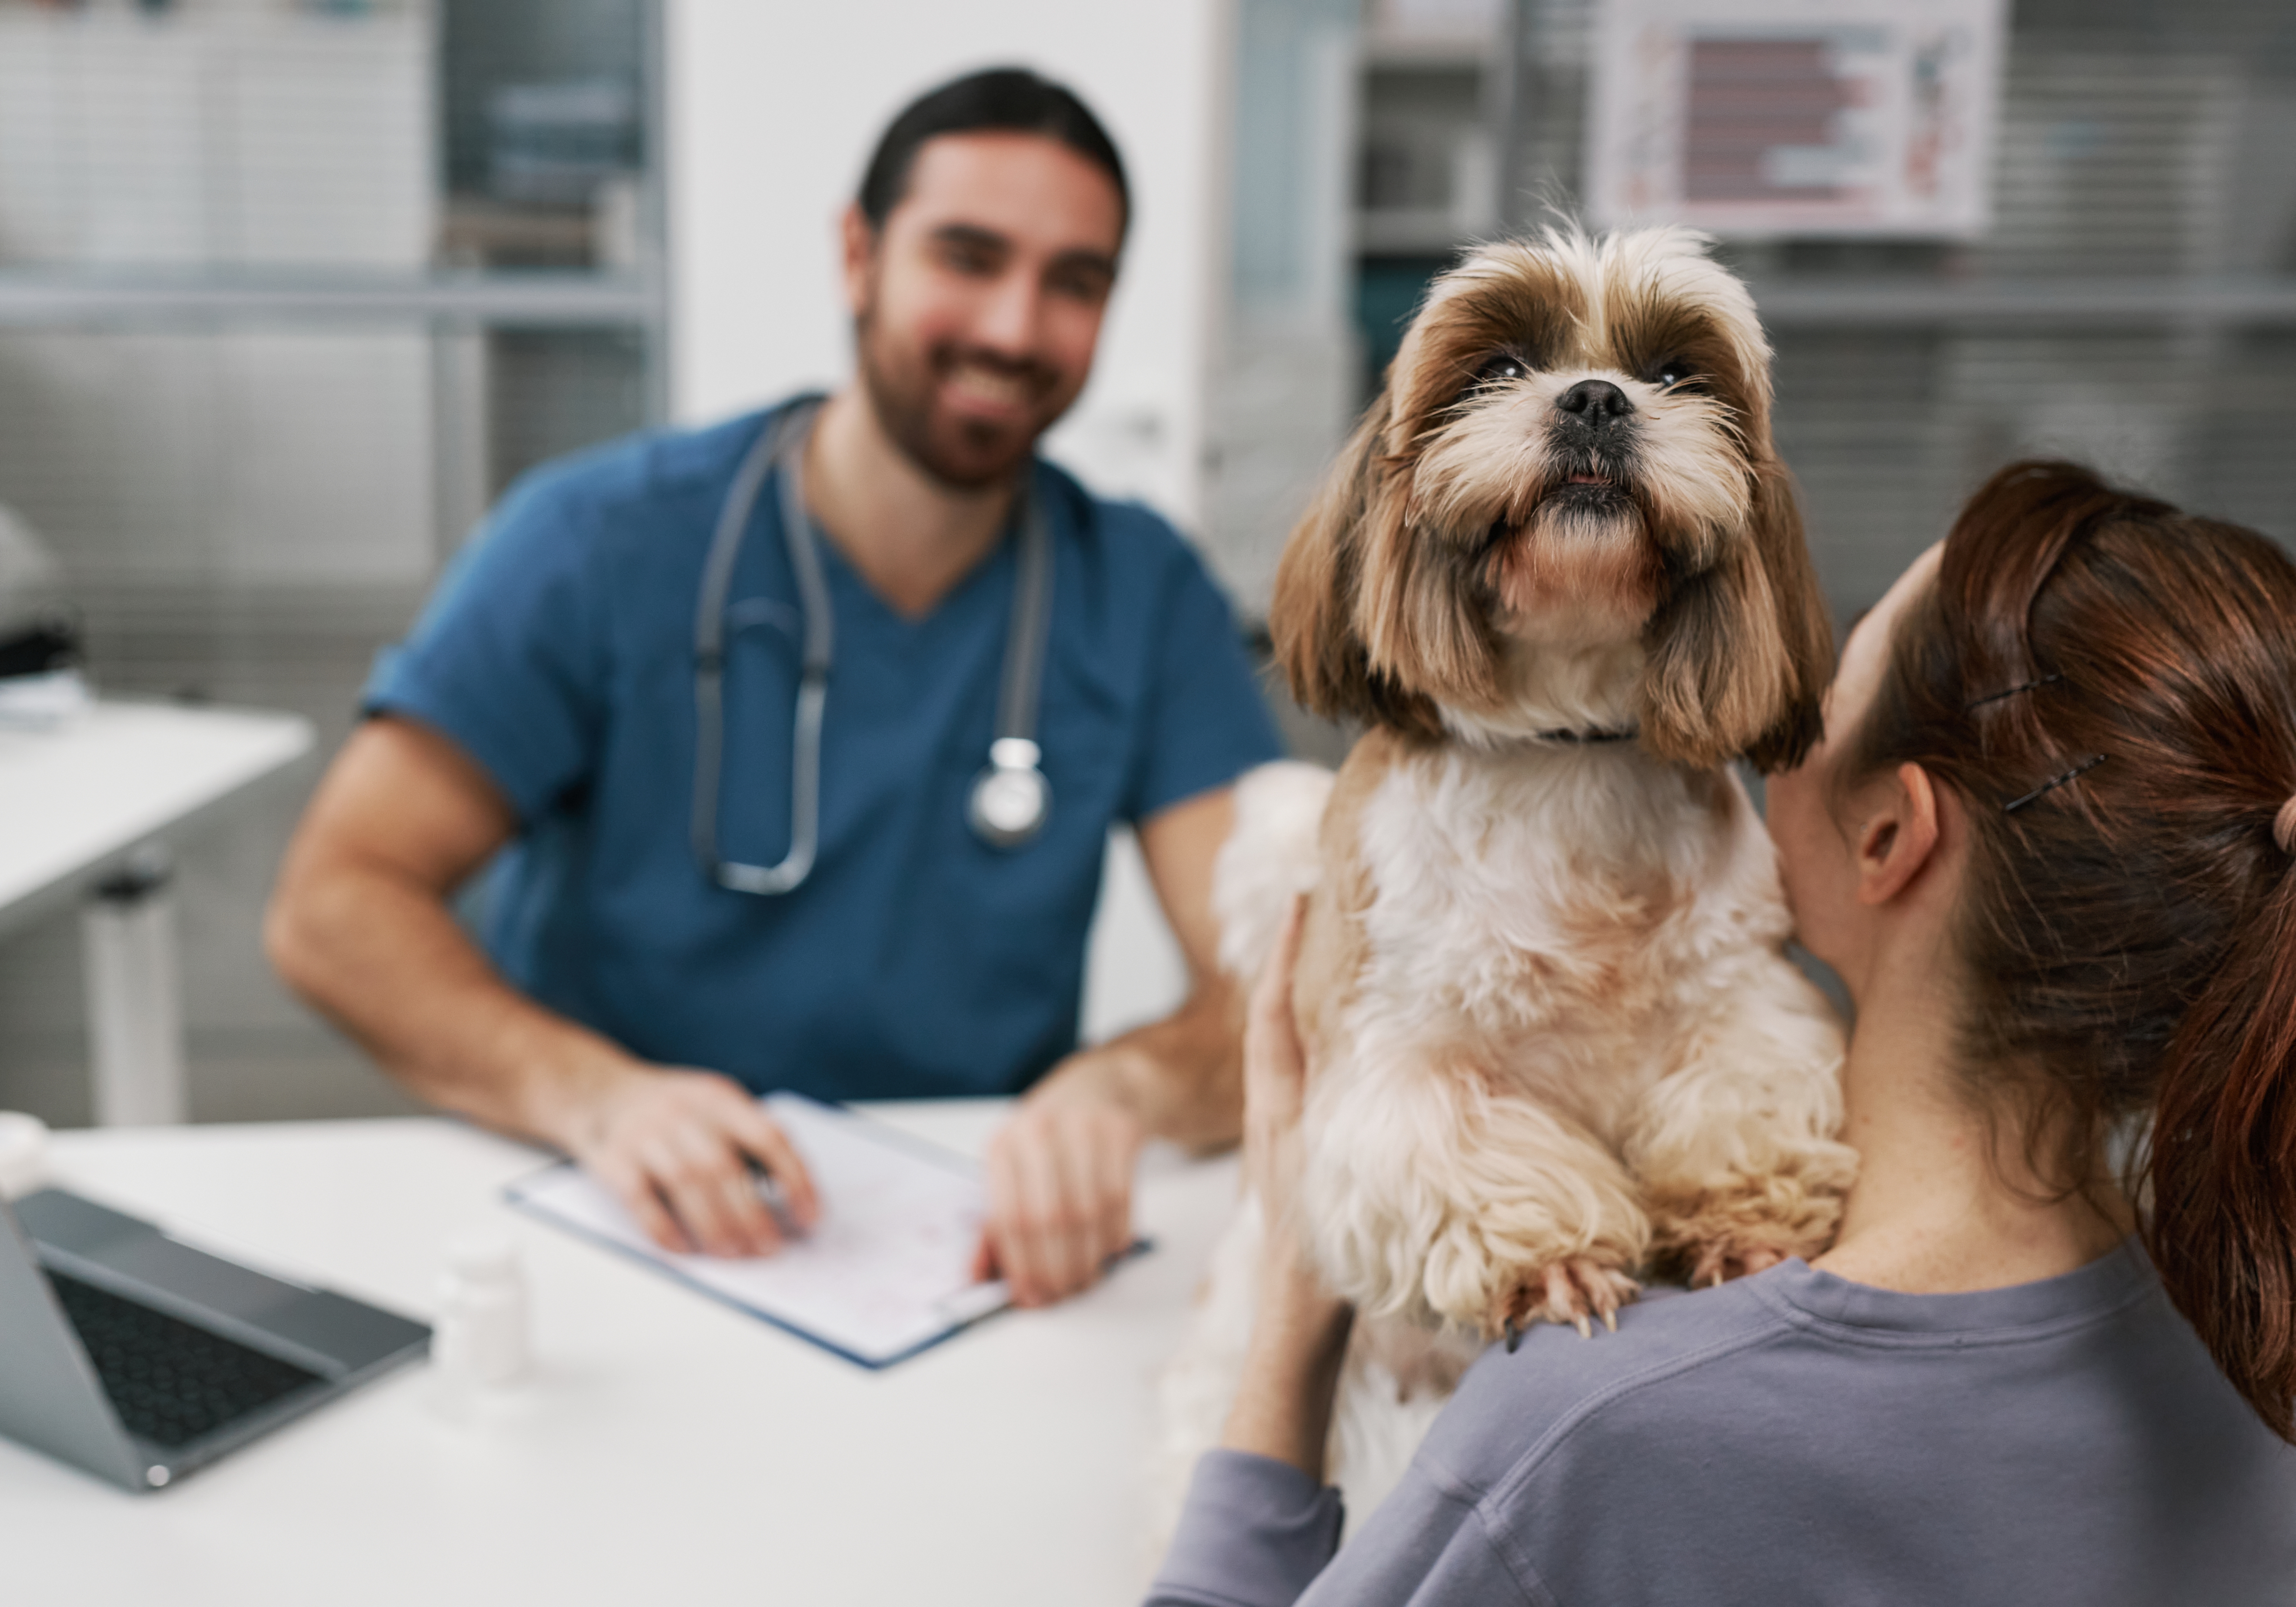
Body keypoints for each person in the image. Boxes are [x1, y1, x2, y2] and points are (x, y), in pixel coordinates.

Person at [1148, 461, 2296, 1604]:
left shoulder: (1586, 1434)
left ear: (1890, 836)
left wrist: (1289, 1335)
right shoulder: (2252, 1368)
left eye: (1832, 688)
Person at [265, 68, 1280, 1308]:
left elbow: (1283, 986)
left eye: (1074, 283)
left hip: (961, 1259)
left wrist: (1129, 1087)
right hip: (621, 1229)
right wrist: (592, 1096)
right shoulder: (599, 543)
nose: (1016, 329)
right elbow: (335, 904)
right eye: (968, 257)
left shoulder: (1141, 591)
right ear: (858, 255)